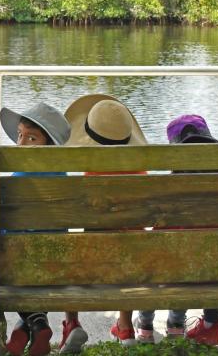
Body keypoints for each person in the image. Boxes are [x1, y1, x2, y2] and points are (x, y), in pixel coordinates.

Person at [61, 94, 149, 347]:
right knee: (132, 247)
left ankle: (72, 323)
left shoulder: (90, 174)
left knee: (65, 254)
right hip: (137, 259)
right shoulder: (142, 172)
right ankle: (125, 326)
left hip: (92, 259)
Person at [0, 103, 74, 356]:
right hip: (56, 263)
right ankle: (29, 326)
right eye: (20, 135)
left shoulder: (19, 177)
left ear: (49, 145)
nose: (21, 143)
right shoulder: (63, 177)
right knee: (39, 267)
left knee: (2, 257)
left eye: (31, 138)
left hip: (16, 264)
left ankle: (36, 324)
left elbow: (5, 223)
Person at [148, 114, 218, 346]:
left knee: (177, 257)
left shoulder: (169, 187)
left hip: (179, 269)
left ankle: (175, 325)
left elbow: (158, 234)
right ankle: (211, 325)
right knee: (214, 253)